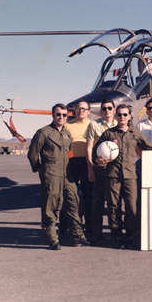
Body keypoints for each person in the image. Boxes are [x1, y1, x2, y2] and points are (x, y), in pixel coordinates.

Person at [95, 104, 152, 249]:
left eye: (125, 114)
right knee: (113, 206)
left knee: (131, 207)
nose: (122, 117)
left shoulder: (135, 133)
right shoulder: (109, 134)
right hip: (113, 175)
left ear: (130, 116)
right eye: (119, 115)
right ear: (116, 116)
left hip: (130, 176)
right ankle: (117, 235)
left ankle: (129, 235)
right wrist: (97, 160)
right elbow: (95, 151)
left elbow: (149, 146)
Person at [27, 103, 88, 250]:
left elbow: (69, 151)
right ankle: (51, 239)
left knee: (74, 202)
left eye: (64, 115)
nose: (61, 117)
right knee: (51, 205)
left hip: (66, 173)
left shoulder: (66, 134)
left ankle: (77, 236)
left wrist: (72, 160)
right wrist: (40, 169)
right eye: (58, 114)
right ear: (53, 115)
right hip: (52, 173)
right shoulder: (43, 132)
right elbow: (33, 154)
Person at [85, 98, 118, 244]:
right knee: (97, 203)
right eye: (104, 108)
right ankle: (97, 234)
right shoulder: (94, 125)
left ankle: (115, 233)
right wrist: (91, 168)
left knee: (114, 203)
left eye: (109, 108)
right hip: (99, 168)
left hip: (115, 170)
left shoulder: (119, 124)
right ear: (101, 111)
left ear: (114, 110)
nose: (107, 111)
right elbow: (89, 148)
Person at [63, 99, 93, 234]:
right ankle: (64, 228)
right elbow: (66, 146)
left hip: (89, 163)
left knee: (89, 197)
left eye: (84, 109)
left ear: (89, 112)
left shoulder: (93, 125)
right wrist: (70, 156)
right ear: (74, 111)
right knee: (69, 196)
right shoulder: (67, 126)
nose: (81, 111)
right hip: (73, 163)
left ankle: (90, 228)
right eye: (78, 108)